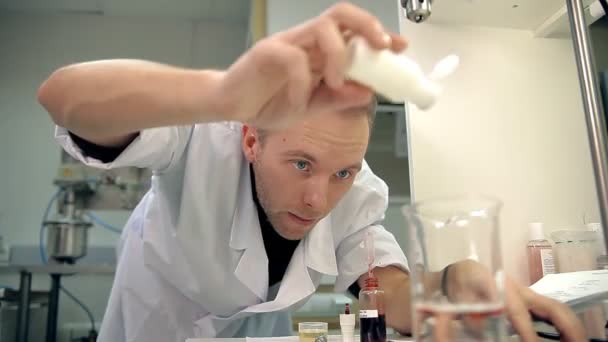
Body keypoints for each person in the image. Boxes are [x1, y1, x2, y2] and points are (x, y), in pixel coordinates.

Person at [38, 3, 585, 341]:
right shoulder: (202, 135)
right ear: (252, 137)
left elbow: (385, 291)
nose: (319, 197)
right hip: (154, 326)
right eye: (301, 163)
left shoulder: (358, 190)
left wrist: (447, 285)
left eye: (343, 171)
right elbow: (62, 97)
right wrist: (221, 92)